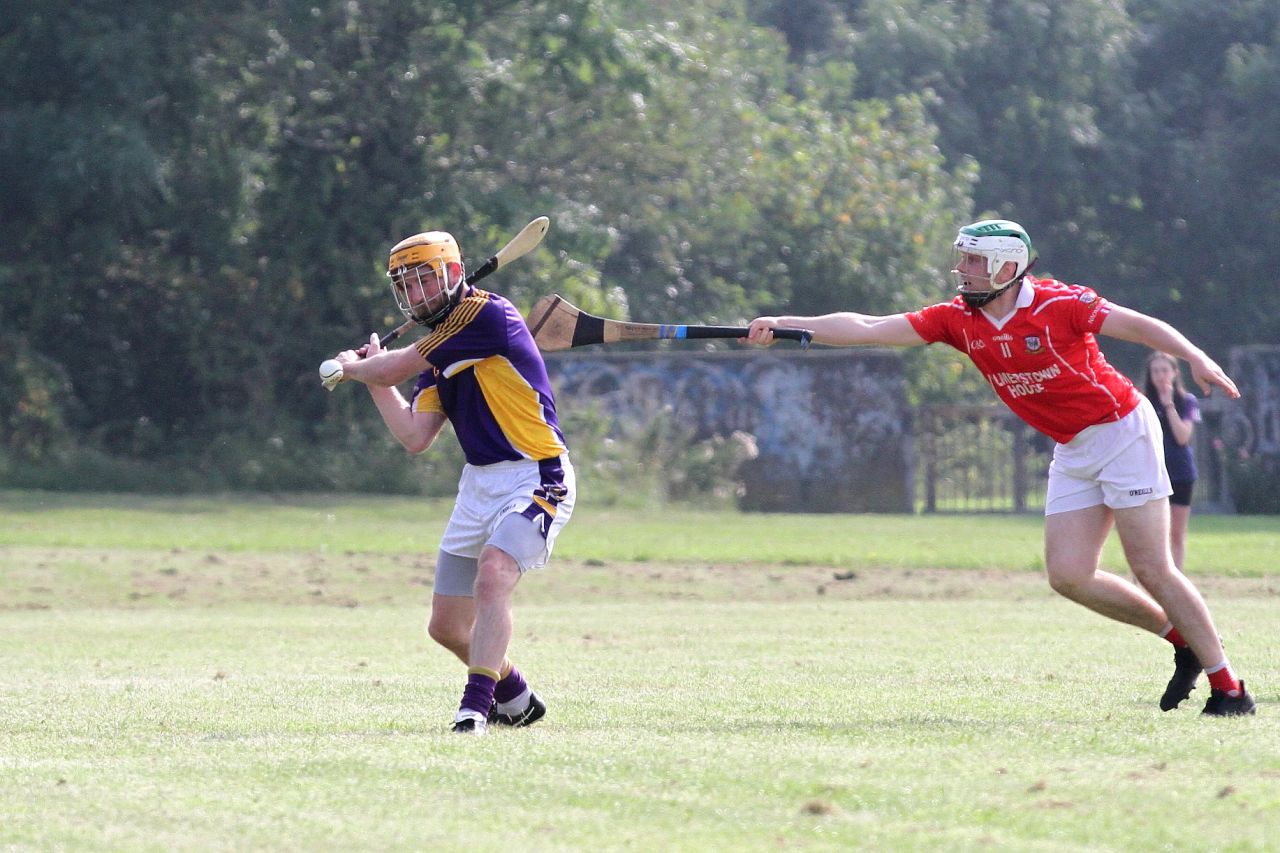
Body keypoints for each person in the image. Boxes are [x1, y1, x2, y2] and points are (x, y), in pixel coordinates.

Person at [746, 219, 1255, 716]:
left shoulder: (1061, 303)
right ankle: (1181, 640)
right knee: (1069, 576)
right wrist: (790, 326)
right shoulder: (956, 319)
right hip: (1074, 447)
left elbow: (1140, 326)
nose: (960, 268)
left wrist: (1194, 357)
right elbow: (867, 327)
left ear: (1006, 266)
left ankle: (1229, 688)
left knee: (1151, 567)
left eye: (972, 259)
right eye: (962, 257)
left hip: (1123, 430)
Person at [328, 229, 575, 734]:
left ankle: (473, 709)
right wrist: (372, 380)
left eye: (424, 282)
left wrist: (359, 369)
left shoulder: (486, 315)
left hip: (536, 473)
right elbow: (415, 436)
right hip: (479, 486)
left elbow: (395, 364)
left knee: (495, 573)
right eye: (406, 287)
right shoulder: (438, 349)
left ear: (455, 274)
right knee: (445, 627)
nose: (415, 295)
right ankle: (516, 697)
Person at [1143, 351, 1201, 571]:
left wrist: (1169, 405)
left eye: (1165, 370)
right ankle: (1144, 581)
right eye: (1155, 371)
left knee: (1176, 534)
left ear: (1175, 373)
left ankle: (1177, 583)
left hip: (1180, 473)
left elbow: (1183, 437)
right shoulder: (1143, 402)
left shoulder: (1187, 401)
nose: (1160, 376)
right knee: (1151, 534)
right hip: (1151, 473)